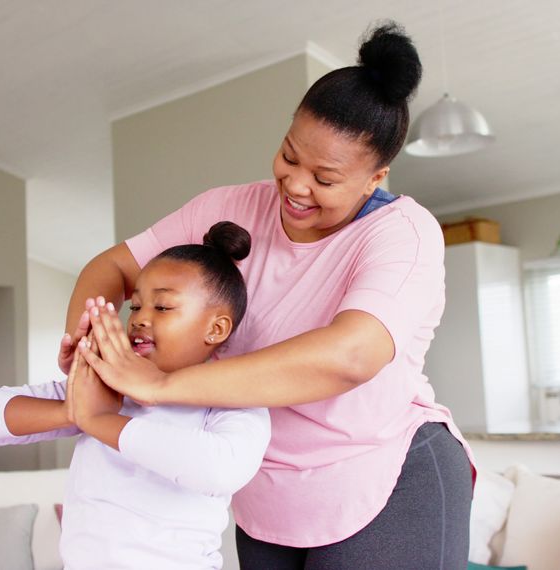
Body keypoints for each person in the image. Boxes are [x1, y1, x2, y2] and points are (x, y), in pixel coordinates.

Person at [63, 22, 476, 569]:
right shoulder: (228, 206)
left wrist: (162, 383)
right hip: (263, 488)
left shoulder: (403, 232)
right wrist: (89, 350)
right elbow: (113, 267)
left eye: (325, 179)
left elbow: (351, 355)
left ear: (376, 177)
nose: (296, 185)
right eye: (289, 155)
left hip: (385, 475)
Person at [0, 222, 271, 569]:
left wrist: (101, 421)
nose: (139, 319)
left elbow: (219, 470)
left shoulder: (232, 400)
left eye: (162, 307)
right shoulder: (100, 390)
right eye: (134, 307)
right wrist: (74, 412)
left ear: (216, 328)